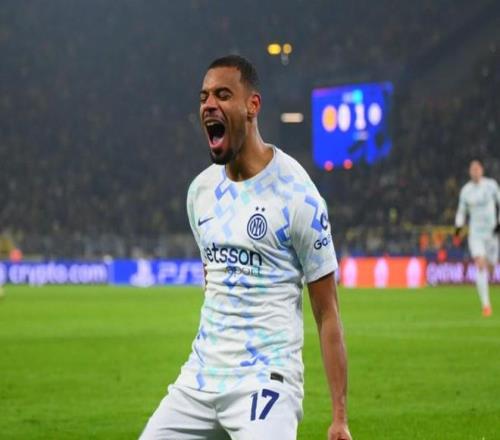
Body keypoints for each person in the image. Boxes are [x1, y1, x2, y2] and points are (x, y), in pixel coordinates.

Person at [140, 55, 351, 440]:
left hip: (265, 380)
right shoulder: (200, 192)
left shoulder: (298, 196)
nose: (209, 104)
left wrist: (339, 417)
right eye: (204, 97)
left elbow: (327, 313)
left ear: (252, 106)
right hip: (200, 378)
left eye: (223, 95)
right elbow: (213, 282)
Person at [455, 158, 500, 317]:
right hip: (476, 234)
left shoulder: (491, 185)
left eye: (477, 169)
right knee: (480, 264)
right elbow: (461, 212)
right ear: (470, 172)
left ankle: (491, 267)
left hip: (492, 233)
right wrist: (458, 228)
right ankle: (486, 305)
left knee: (491, 265)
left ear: (482, 170)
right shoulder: (466, 191)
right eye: (472, 169)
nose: (475, 172)